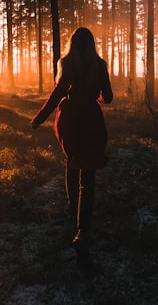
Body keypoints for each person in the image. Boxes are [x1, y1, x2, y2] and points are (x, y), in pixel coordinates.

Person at [31, 27, 113, 268]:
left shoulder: (66, 63)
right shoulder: (100, 65)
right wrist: (95, 95)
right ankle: (82, 231)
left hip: (71, 121)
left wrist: (39, 118)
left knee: (73, 161)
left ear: (72, 45)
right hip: (92, 120)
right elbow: (107, 97)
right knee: (88, 176)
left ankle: (71, 207)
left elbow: (57, 94)